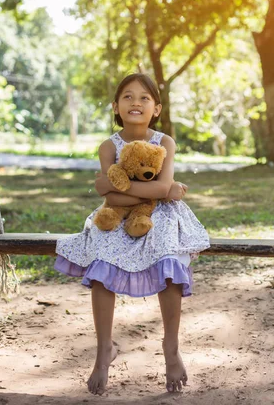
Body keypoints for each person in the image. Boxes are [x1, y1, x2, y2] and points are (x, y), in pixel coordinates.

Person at [54, 73, 210, 396]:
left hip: (162, 218)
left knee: (167, 256)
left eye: (144, 98)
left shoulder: (165, 142)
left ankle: (171, 347)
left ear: (156, 108)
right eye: (127, 97)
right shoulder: (108, 146)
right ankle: (103, 351)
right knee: (102, 257)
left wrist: (134, 188)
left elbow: (159, 187)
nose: (135, 102)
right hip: (116, 217)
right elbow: (113, 200)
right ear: (115, 106)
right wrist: (156, 191)